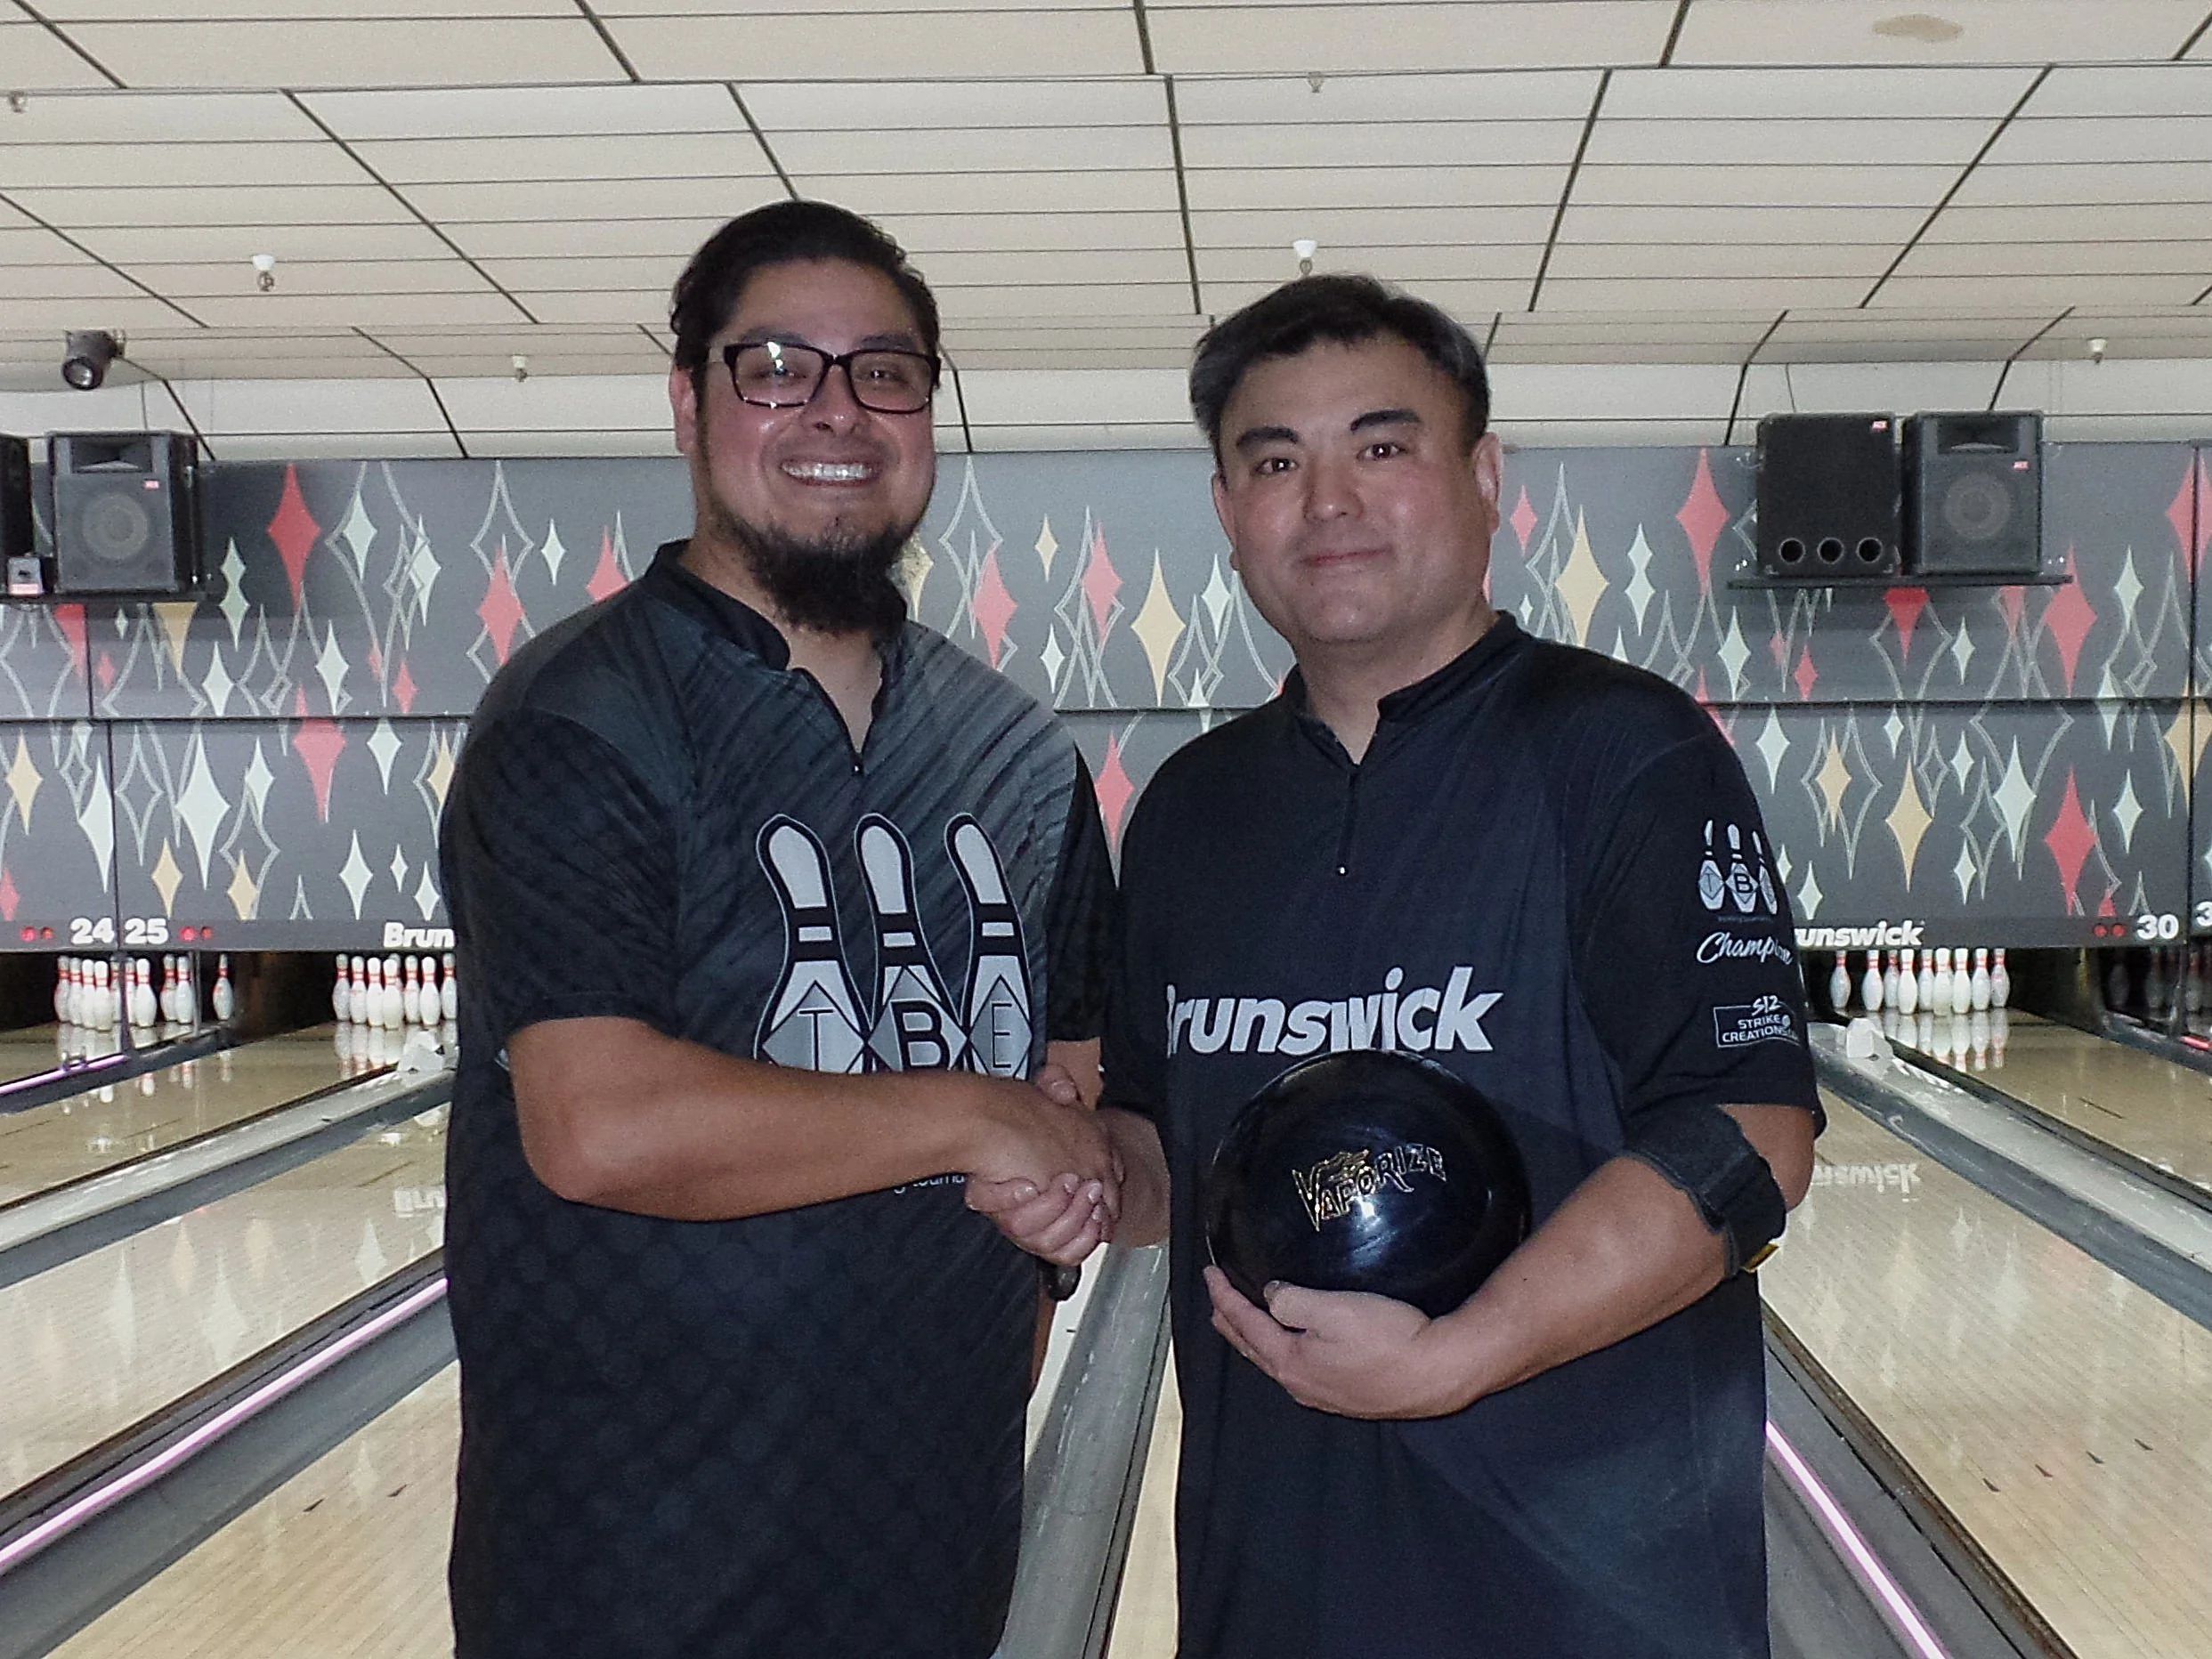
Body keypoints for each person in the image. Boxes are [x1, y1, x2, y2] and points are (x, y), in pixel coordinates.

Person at [437, 199, 1130, 1658]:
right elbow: (599, 1125)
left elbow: (1069, 1083)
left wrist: (1057, 1205)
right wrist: (975, 1117)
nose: (836, 410)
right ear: (689, 401)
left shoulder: (1020, 756)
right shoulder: (587, 721)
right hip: (628, 1574)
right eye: (774, 367)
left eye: (885, 371)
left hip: (933, 1552)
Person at [1099, 275, 1822, 1658]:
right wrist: (1077, 1174)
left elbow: (1750, 1139)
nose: (1329, 501)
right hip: (1273, 1598)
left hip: (1590, 1609)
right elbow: (1161, 1149)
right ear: (1228, 511)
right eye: (1275, 462)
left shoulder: (1627, 754)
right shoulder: (1190, 812)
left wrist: (1456, 1360)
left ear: (1484, 478)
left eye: (1382, 446)